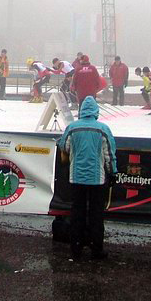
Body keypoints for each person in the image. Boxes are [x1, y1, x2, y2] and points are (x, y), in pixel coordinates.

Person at [58, 95, 117, 259]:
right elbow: (109, 154)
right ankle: (96, 249)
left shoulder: (72, 127)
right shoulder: (103, 129)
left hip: (76, 178)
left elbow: (64, 146)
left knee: (77, 212)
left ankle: (76, 247)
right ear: (96, 111)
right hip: (97, 179)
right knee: (96, 214)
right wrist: (112, 173)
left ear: (81, 110)